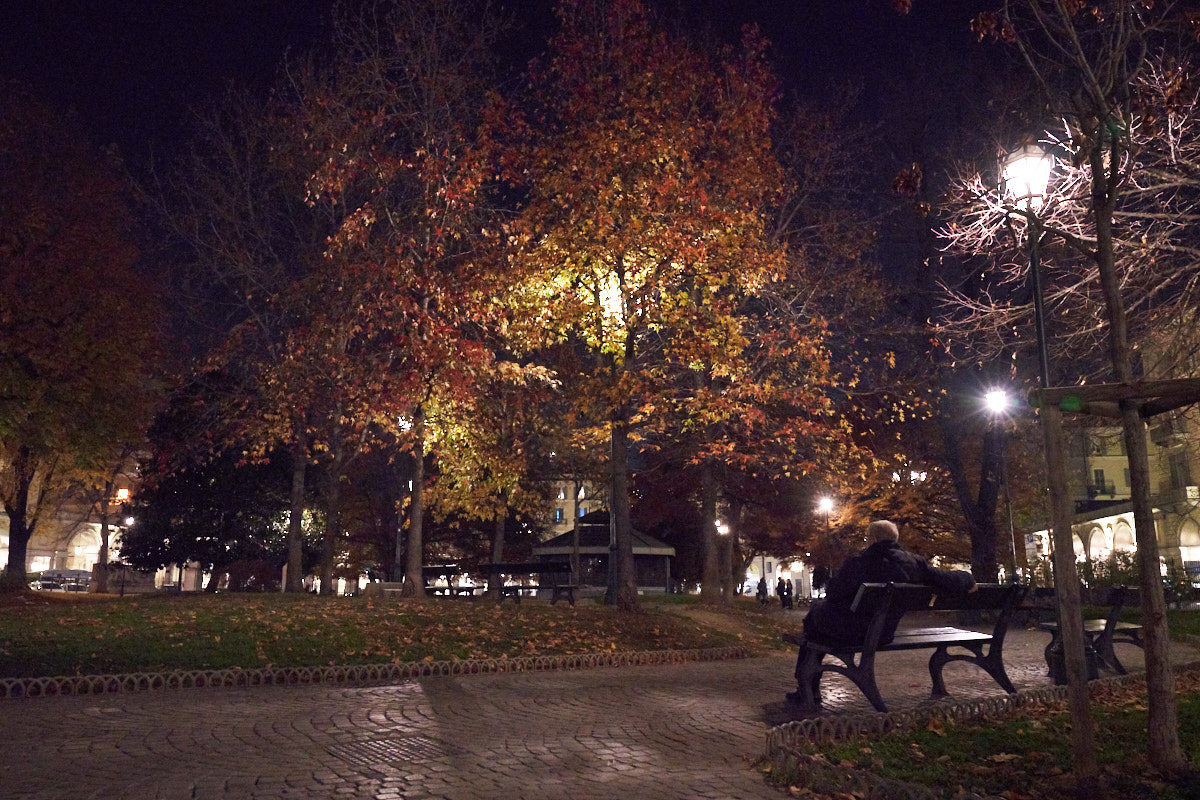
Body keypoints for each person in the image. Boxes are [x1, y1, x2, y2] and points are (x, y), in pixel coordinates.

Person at [787, 520, 975, 702]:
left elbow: (833, 592)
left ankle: (807, 688)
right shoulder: (914, 563)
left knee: (814, 622)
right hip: (885, 633)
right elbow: (946, 578)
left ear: (874, 538)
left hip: (851, 633)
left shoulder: (859, 562)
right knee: (816, 623)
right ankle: (807, 687)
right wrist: (968, 579)